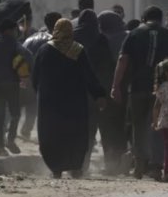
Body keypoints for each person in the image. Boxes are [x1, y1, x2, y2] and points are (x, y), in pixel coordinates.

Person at [111, 6, 168, 179]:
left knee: (138, 126)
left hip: (137, 87)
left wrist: (115, 85)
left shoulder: (134, 34)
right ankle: (156, 165)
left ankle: (139, 162)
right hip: (162, 89)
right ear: (161, 19)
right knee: (158, 124)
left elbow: (123, 59)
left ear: (143, 19)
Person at [33, 19, 106, 178]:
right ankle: (75, 167)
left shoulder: (44, 50)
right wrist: (98, 94)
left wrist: (39, 94)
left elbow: (35, 76)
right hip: (74, 101)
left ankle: (56, 168)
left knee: (52, 132)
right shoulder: (77, 50)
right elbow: (89, 75)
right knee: (75, 132)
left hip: (50, 102)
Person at [74, 10, 116, 173]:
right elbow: (108, 67)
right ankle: (107, 164)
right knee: (100, 128)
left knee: (78, 129)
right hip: (97, 91)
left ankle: (77, 164)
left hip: (76, 91)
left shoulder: (73, 37)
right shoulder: (100, 38)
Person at [0, 18, 30, 156]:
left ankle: (0, 147)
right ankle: (10, 139)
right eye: (15, 30)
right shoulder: (15, 44)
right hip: (12, 84)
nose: (17, 33)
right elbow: (28, 56)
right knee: (15, 114)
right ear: (10, 30)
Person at [20, 12, 62, 139]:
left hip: (27, 76)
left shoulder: (30, 39)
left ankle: (26, 129)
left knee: (31, 104)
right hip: (46, 78)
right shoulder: (54, 40)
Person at [97, 10, 129, 175]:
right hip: (126, 89)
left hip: (105, 90)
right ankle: (124, 159)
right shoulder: (128, 37)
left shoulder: (100, 39)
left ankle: (110, 162)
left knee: (106, 128)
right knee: (123, 126)